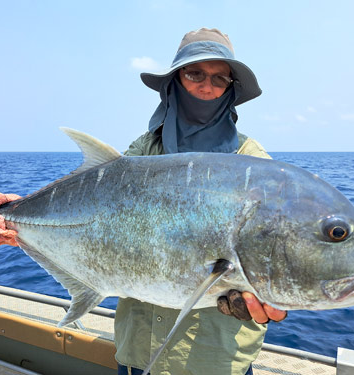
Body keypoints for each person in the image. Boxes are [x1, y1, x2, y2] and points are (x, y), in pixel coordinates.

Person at [114, 28, 287, 375]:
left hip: (216, 361)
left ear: (230, 90)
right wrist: (16, 213)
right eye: (195, 74)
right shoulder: (144, 151)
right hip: (139, 352)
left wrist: (271, 297)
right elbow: (90, 204)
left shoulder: (251, 161)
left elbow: (281, 252)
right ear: (175, 80)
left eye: (219, 78)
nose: (206, 87)